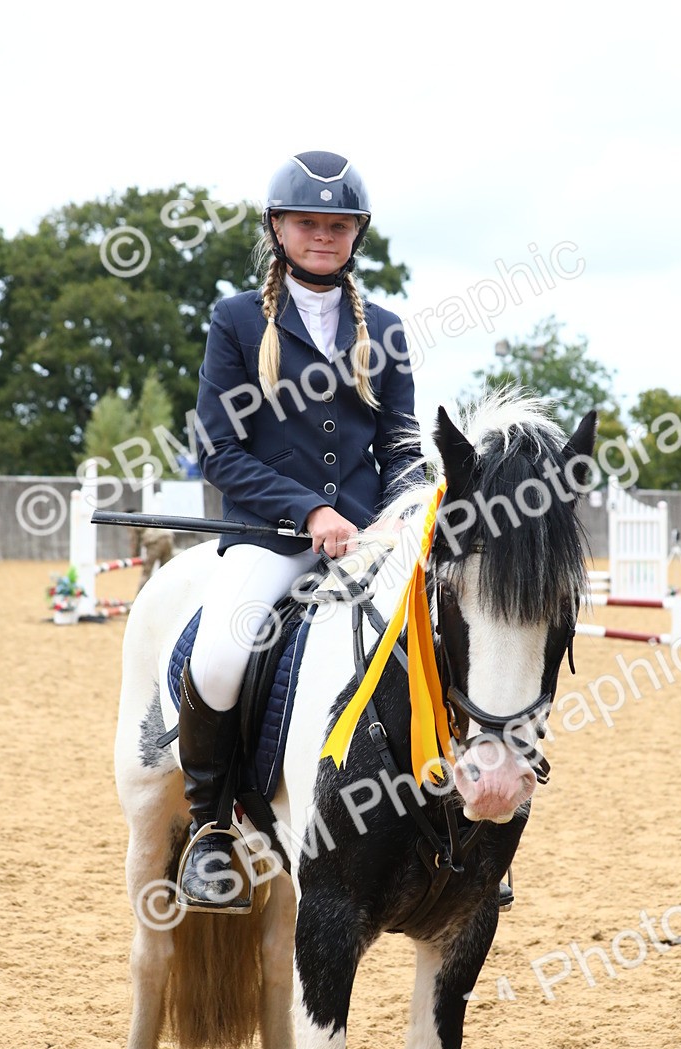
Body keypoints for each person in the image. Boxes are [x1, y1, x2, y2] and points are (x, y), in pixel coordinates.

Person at [177, 150, 423, 911]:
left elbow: (402, 444)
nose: (324, 235)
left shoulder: (383, 328)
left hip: (371, 541)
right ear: (278, 228)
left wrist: (400, 514)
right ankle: (210, 830)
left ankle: (450, 820)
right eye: (309, 222)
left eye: (338, 225)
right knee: (220, 655)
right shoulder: (236, 320)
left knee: (438, 642)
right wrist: (309, 512)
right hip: (269, 538)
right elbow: (219, 449)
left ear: (356, 234)